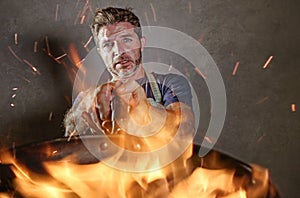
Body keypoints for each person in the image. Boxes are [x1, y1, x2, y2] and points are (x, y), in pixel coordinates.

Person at [64, 7, 195, 151]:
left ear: (142, 44)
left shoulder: (169, 84)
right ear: (101, 53)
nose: (119, 51)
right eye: (108, 45)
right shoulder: (88, 98)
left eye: (126, 39)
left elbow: (184, 129)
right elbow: (70, 145)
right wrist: (84, 111)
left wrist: (146, 113)